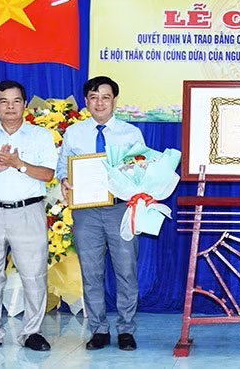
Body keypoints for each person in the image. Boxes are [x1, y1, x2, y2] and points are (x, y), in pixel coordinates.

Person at [0, 80, 57, 352]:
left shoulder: (41, 137)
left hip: (28, 211)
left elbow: (48, 174)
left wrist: (18, 164)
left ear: (25, 105)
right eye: (4, 101)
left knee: (34, 274)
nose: (11, 107)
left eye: (16, 101)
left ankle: (32, 332)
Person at [57, 76, 144, 351]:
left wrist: (132, 173)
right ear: (86, 101)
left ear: (114, 101)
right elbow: (62, 167)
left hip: (121, 208)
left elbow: (142, 170)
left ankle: (126, 329)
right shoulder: (75, 133)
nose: (100, 102)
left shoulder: (130, 134)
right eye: (94, 97)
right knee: (91, 272)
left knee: (126, 271)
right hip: (86, 211)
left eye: (105, 97)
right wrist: (64, 180)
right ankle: (98, 329)